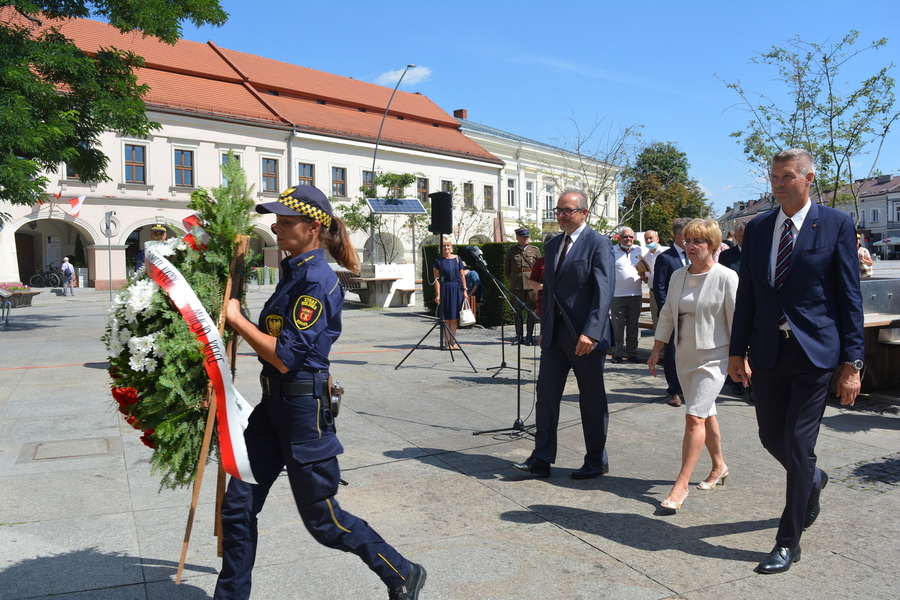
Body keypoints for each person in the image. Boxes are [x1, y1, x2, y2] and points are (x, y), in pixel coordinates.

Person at [215, 186, 426, 600]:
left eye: (286, 221)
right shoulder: (293, 270)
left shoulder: (318, 279)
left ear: (313, 228)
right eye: (276, 220)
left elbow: (285, 357)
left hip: (301, 411)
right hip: (271, 407)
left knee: (323, 521)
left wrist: (237, 321)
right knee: (237, 507)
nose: (275, 226)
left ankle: (401, 570)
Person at [728, 148, 864, 575]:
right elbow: (747, 295)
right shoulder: (759, 227)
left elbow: (848, 297)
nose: (778, 184)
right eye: (774, 177)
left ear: (808, 178)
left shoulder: (836, 224)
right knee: (772, 437)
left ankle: (787, 542)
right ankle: (814, 481)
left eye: (787, 177)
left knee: (800, 444)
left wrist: (853, 362)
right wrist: (736, 351)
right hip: (768, 351)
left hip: (815, 353)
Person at [511, 188, 615, 480]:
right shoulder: (554, 245)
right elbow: (551, 293)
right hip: (555, 337)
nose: (561, 215)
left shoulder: (599, 244)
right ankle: (541, 458)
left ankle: (596, 460)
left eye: (567, 210)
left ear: (584, 213)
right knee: (545, 394)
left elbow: (603, 291)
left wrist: (592, 333)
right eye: (558, 210)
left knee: (591, 400)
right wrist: (545, 329)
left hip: (585, 338)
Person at [647, 219, 738, 511]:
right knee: (705, 412)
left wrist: (742, 357)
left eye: (699, 241)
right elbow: (668, 314)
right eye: (688, 241)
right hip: (683, 355)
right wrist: (656, 348)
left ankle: (681, 484)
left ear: (712, 244)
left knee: (694, 417)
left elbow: (738, 321)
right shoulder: (677, 276)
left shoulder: (726, 276)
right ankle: (719, 466)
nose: (692, 246)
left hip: (714, 358)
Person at [653, 217, 691, 407]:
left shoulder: (694, 255)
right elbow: (659, 288)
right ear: (678, 237)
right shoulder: (665, 258)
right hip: (674, 314)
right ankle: (674, 391)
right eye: (688, 236)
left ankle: (689, 387)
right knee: (673, 353)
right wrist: (668, 312)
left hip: (693, 314)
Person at [718, 222, 747, 397]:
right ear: (736, 237)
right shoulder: (727, 256)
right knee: (735, 343)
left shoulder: (760, 254)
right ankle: (735, 381)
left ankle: (750, 384)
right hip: (733, 306)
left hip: (754, 307)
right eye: (743, 236)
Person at [610, 227, 645, 363]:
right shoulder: (612, 251)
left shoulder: (639, 250)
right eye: (625, 237)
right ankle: (617, 354)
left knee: (633, 326)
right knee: (617, 327)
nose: (628, 239)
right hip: (618, 295)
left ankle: (632, 353)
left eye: (631, 237)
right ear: (619, 237)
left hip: (635, 294)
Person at [504, 228, 542, 345]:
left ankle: (529, 337)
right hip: (517, 285)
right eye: (523, 237)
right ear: (517, 238)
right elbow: (507, 270)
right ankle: (519, 337)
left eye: (527, 237)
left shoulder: (534, 250)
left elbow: (540, 267)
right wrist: (513, 280)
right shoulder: (511, 251)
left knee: (531, 311)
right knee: (518, 311)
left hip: (531, 285)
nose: (526, 239)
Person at [433, 238, 468, 350]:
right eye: (444, 246)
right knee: (445, 318)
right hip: (445, 289)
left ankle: (453, 342)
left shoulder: (457, 258)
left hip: (457, 289)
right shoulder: (438, 261)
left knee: (454, 318)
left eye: (448, 246)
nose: (446, 248)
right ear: (440, 248)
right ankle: (446, 343)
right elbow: (436, 279)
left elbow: (462, 275)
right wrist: (438, 294)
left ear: (451, 247)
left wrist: (465, 290)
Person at [639, 230, 668, 331]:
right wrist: (643, 276)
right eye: (646, 239)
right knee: (656, 322)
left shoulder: (666, 252)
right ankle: (659, 347)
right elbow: (647, 280)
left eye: (651, 238)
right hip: (653, 293)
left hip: (667, 292)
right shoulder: (645, 258)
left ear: (657, 238)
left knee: (669, 321)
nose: (648, 240)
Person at [527, 232, 560, 317]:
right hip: (545, 300)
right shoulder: (541, 261)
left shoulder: (567, 260)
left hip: (563, 301)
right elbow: (531, 282)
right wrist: (543, 286)